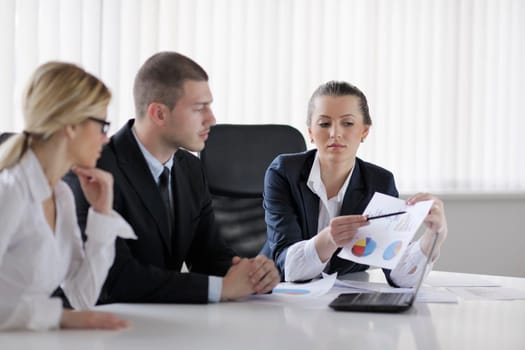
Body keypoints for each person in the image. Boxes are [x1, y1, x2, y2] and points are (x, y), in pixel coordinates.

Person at [65, 51, 280, 304]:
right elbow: (117, 278)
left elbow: (208, 255)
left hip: (162, 322)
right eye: (200, 108)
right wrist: (221, 289)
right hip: (100, 328)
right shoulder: (95, 169)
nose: (212, 119)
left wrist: (254, 273)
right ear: (159, 114)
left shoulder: (189, 168)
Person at [261, 81, 448, 287]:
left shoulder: (380, 182)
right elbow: (288, 267)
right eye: (324, 124)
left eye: (347, 123)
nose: (335, 133)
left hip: (343, 300)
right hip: (279, 293)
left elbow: (398, 275)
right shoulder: (283, 172)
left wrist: (433, 236)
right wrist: (328, 240)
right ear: (311, 133)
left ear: (364, 131)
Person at [0, 62, 136, 331]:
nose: (106, 139)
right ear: (72, 126)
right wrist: (60, 317)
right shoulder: (11, 190)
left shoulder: (61, 195)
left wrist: (102, 214)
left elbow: (82, 296)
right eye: (102, 126)